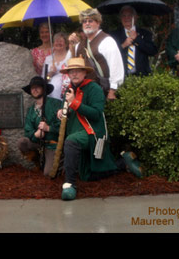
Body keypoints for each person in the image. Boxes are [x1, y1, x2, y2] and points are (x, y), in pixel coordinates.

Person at [57, 58, 143, 201]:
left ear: (85, 72)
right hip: (76, 132)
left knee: (71, 141)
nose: (75, 74)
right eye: (71, 71)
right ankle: (122, 163)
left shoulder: (94, 88)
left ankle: (69, 184)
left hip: (92, 133)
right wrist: (62, 111)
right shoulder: (69, 90)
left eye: (78, 71)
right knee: (88, 176)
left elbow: (96, 114)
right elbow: (68, 109)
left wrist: (74, 103)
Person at [70, 8, 124, 100]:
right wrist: (71, 46)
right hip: (83, 92)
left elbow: (116, 67)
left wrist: (112, 91)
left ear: (98, 23)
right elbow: (74, 67)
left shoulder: (107, 41)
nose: (87, 24)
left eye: (90, 21)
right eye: (84, 21)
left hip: (102, 91)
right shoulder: (79, 44)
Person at [17, 76, 62, 176]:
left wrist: (48, 128)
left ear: (44, 89)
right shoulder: (31, 110)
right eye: (32, 87)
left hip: (52, 144)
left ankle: (59, 161)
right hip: (38, 143)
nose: (35, 89)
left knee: (48, 173)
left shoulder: (57, 104)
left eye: (38, 87)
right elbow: (27, 132)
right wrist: (36, 135)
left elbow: (63, 127)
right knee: (22, 143)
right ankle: (38, 162)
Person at [109, 5, 158, 77]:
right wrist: (123, 45)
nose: (127, 18)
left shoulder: (145, 33)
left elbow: (152, 51)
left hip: (142, 76)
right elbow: (110, 54)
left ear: (135, 17)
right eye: (124, 16)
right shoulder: (114, 35)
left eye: (129, 15)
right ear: (120, 18)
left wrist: (137, 39)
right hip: (121, 75)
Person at [42, 31, 72, 101]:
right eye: (56, 41)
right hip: (50, 94)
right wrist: (50, 74)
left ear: (66, 44)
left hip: (65, 92)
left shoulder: (70, 56)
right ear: (53, 44)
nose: (58, 43)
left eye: (61, 41)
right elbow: (44, 79)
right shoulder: (48, 59)